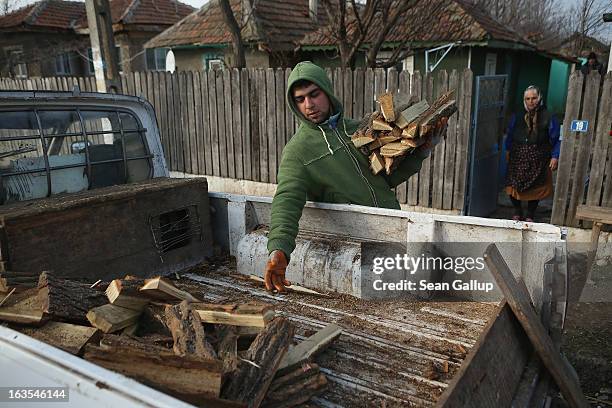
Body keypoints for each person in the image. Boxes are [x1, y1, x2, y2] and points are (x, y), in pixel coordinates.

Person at [264, 61, 441, 293]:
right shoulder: (298, 152)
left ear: (326, 91)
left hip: (393, 228)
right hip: (356, 250)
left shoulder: (358, 131)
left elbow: (386, 177)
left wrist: (423, 150)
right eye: (300, 99)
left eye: (314, 94)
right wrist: (279, 250)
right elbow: (286, 200)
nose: (309, 105)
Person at [504, 85, 560, 222]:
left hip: (539, 157)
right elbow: (510, 134)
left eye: (534, 98)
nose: (531, 101)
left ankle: (530, 214)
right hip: (517, 156)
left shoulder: (548, 116)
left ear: (539, 98)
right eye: (528, 98)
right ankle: (517, 210)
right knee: (512, 185)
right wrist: (507, 150)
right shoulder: (517, 115)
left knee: (537, 187)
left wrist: (555, 156)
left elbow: (556, 138)